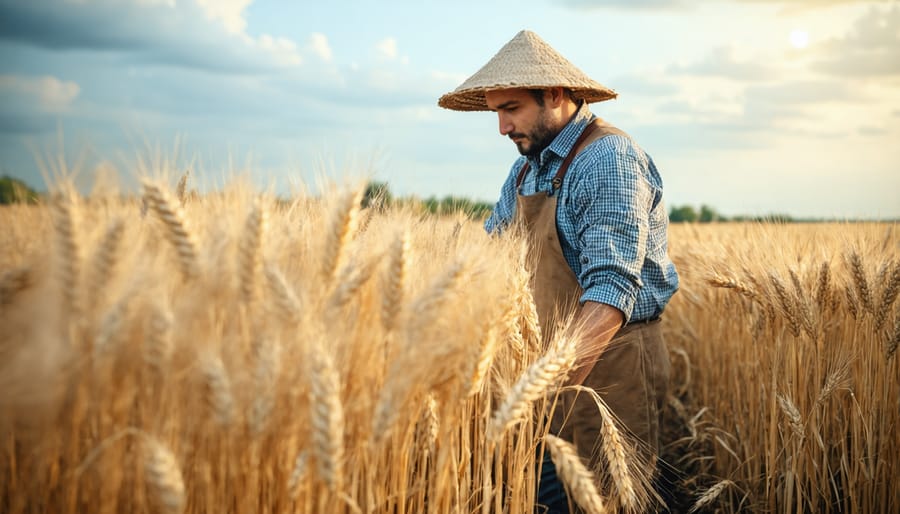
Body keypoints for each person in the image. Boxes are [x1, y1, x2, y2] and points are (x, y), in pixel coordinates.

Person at [438, 30, 679, 512]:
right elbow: (492, 254)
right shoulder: (527, 170)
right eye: (496, 113)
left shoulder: (607, 159)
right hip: (545, 370)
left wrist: (543, 390)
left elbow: (611, 291)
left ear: (554, 95)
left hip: (611, 370)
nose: (502, 127)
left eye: (511, 108)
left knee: (610, 503)